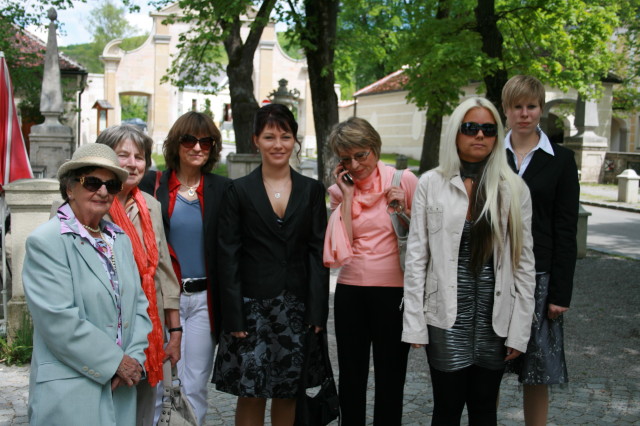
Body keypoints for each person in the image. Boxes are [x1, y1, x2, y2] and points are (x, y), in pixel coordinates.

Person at [402, 97, 536, 425]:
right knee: (446, 409)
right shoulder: (431, 184)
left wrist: (519, 331)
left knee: (484, 409)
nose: (479, 135)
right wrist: (415, 324)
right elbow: (417, 257)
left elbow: (524, 265)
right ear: (456, 133)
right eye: (470, 127)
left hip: (495, 319)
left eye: (488, 129)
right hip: (445, 317)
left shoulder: (513, 189)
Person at [213, 104, 329, 426]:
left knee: (289, 391)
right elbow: (228, 256)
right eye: (269, 136)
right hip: (251, 308)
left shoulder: (311, 191)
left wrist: (317, 311)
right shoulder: (238, 191)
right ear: (256, 141)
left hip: (296, 307)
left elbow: (318, 254)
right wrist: (232, 314)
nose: (278, 144)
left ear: (295, 140)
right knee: (250, 392)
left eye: (285, 136)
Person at [23, 143, 152, 425]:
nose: (103, 191)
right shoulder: (47, 241)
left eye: (111, 184)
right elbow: (58, 320)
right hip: (71, 386)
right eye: (92, 182)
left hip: (122, 388)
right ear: (70, 188)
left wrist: (133, 358)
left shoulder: (120, 240)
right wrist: (116, 363)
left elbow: (139, 307)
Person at [323, 117, 418, 425]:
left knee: (391, 376)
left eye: (361, 154)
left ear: (375, 149)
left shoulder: (403, 180)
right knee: (352, 375)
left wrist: (403, 209)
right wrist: (347, 197)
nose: (355, 164)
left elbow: (426, 237)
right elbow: (341, 248)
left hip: (393, 292)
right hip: (351, 290)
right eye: (346, 158)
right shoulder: (340, 190)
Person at [139, 111, 230, 425]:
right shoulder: (154, 185)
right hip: (162, 301)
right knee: (158, 385)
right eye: (189, 140)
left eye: (206, 141)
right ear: (176, 144)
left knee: (194, 386)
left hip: (204, 302)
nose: (198, 147)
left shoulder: (222, 189)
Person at [502, 75, 580, 425]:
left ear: (540, 109)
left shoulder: (561, 160)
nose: (524, 113)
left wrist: (559, 293)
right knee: (488, 363)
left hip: (541, 275)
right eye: (517, 107)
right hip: (494, 272)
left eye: (531, 106)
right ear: (506, 110)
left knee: (537, 371)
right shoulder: (489, 154)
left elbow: (566, 229)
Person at [96, 124, 182, 425]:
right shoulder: (91, 206)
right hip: (107, 331)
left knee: (145, 412)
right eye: (123, 155)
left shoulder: (151, 206)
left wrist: (175, 333)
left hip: (149, 330)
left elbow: (163, 274)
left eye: (140, 156)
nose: (133, 163)